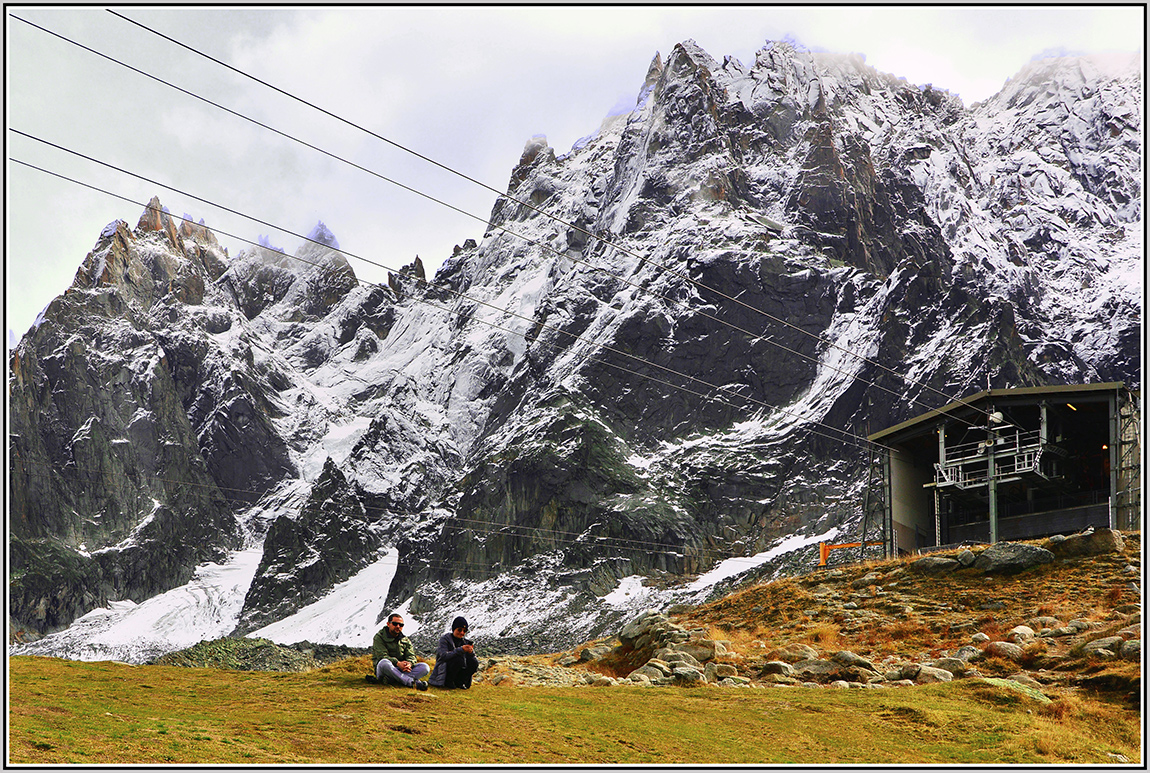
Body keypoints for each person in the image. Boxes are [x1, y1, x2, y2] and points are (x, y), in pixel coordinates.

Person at [371, 613, 429, 690]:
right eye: (395, 624)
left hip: (401, 669)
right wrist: (398, 663)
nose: (398, 626)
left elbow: (411, 655)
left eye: (401, 625)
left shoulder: (405, 639)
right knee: (384, 662)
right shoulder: (379, 637)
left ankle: (395, 679)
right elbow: (382, 656)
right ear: (388, 624)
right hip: (386, 669)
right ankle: (411, 682)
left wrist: (409, 664)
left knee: (425, 667)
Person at [429, 616, 479, 689]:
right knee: (458, 659)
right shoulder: (444, 639)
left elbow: (472, 660)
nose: (462, 633)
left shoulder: (465, 642)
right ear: (454, 629)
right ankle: (448, 682)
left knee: (474, 662)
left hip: (459, 672)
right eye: (459, 630)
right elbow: (443, 656)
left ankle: (461, 682)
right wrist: (461, 650)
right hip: (445, 670)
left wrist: (470, 652)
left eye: (464, 631)